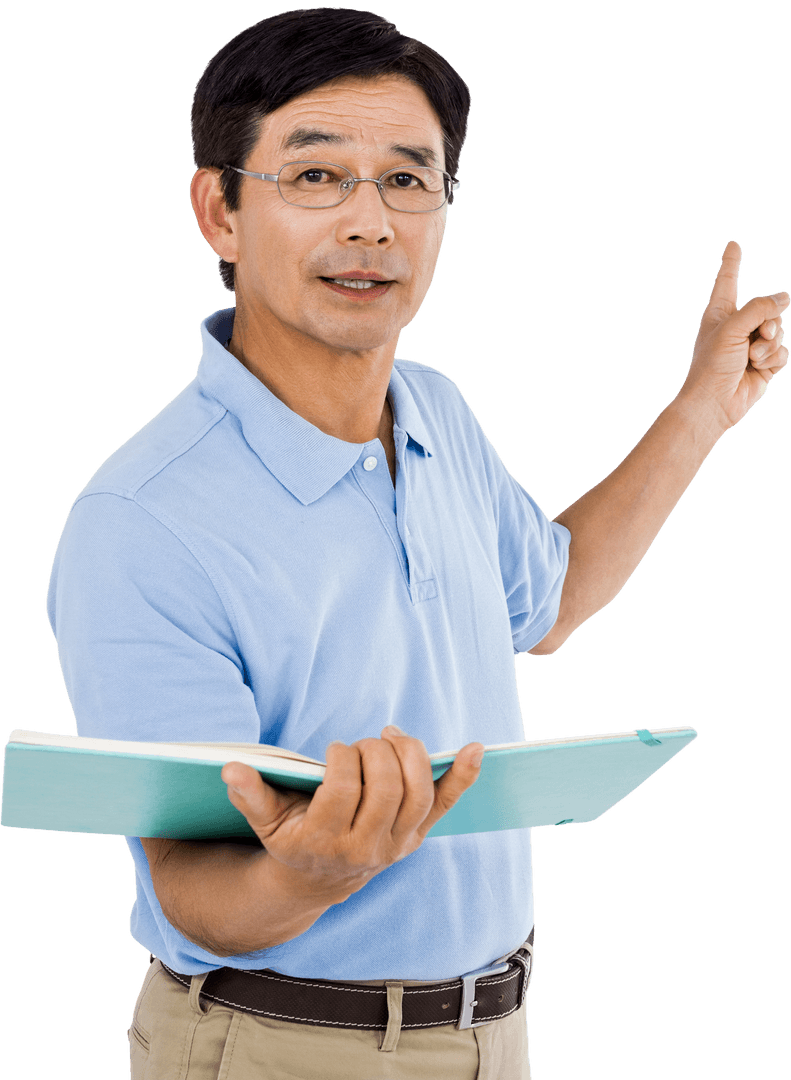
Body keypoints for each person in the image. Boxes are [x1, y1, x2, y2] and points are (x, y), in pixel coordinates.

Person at [44, 8, 787, 1079]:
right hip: (278, 1048)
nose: (370, 224)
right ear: (220, 211)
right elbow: (192, 892)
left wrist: (701, 408)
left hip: (493, 1031)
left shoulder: (430, 406)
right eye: (314, 178)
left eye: (406, 180)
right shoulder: (140, 523)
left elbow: (553, 598)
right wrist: (315, 871)